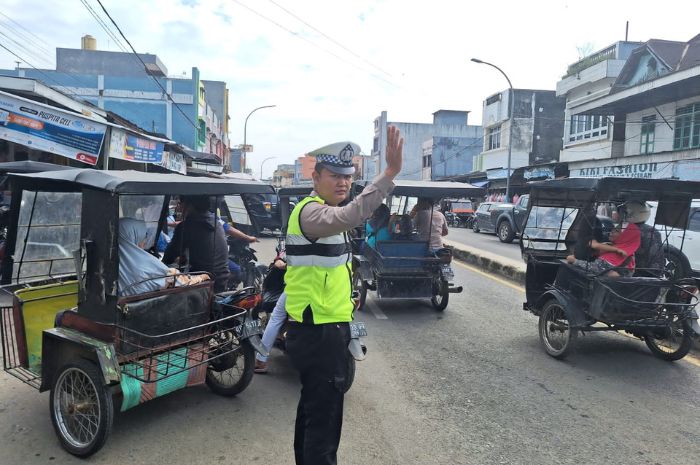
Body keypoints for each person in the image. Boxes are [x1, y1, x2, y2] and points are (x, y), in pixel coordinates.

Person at [284, 127, 402, 465]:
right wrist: (389, 174)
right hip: (319, 332)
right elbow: (351, 214)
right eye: (334, 175)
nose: (343, 182)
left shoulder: (320, 210)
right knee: (324, 423)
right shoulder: (312, 212)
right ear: (316, 176)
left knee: (313, 412)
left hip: (321, 327)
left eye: (347, 176)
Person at [118, 218, 208, 296]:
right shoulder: (143, 266)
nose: (145, 240)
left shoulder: (110, 264)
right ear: (132, 237)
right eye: (144, 235)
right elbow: (179, 282)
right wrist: (202, 277)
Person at [162, 195, 230, 292]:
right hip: (222, 279)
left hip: (202, 282)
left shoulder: (187, 225)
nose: (179, 207)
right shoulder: (215, 222)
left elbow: (169, 257)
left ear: (189, 205)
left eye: (180, 204)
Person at [566, 201, 645, 277]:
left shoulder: (619, 253)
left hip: (617, 283)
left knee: (612, 275)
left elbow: (596, 268)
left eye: (616, 231)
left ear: (625, 236)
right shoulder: (616, 246)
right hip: (610, 272)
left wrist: (575, 261)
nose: (612, 231)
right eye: (613, 229)